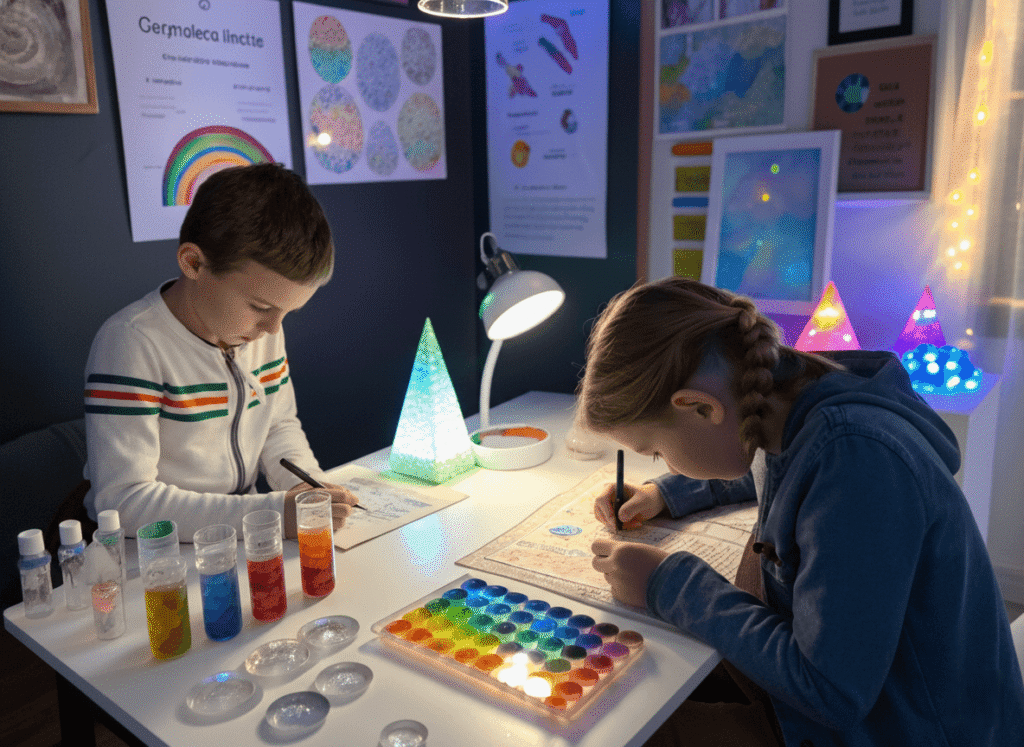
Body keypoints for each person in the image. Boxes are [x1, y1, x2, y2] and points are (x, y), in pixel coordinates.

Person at [581, 277, 1024, 746]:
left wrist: (668, 584)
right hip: (870, 704)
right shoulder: (790, 401)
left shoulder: (858, 460)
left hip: (911, 728)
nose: (663, 462)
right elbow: (764, 467)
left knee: (623, 728)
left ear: (700, 408)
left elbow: (831, 692)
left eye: (654, 451)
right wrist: (666, 493)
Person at [83, 163, 358, 541]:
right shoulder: (131, 342)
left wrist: (312, 496)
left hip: (242, 531)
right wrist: (275, 512)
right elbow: (124, 503)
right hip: (156, 550)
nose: (273, 329)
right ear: (194, 263)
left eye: (287, 313)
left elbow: (278, 425)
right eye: (261, 307)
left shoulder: (259, 331)